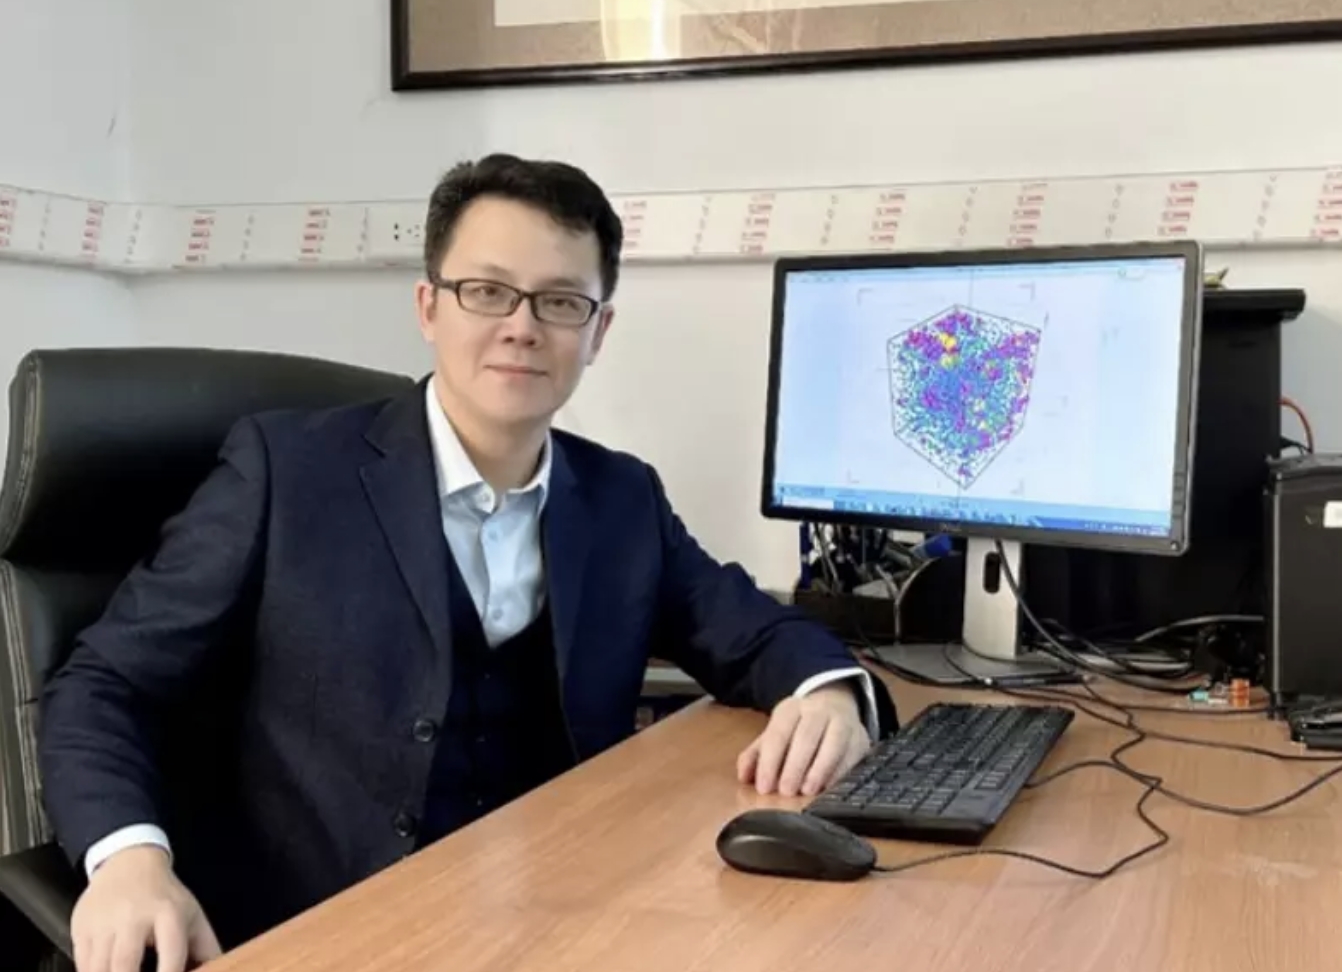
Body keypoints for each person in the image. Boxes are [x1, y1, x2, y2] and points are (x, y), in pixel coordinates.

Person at [40, 154, 889, 972]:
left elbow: (753, 629)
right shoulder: (285, 472)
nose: (521, 325)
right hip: (324, 925)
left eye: (561, 301)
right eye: (486, 290)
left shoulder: (621, 498)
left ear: (598, 331)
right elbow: (104, 683)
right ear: (429, 306)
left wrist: (828, 693)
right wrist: (129, 863)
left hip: (559, 918)